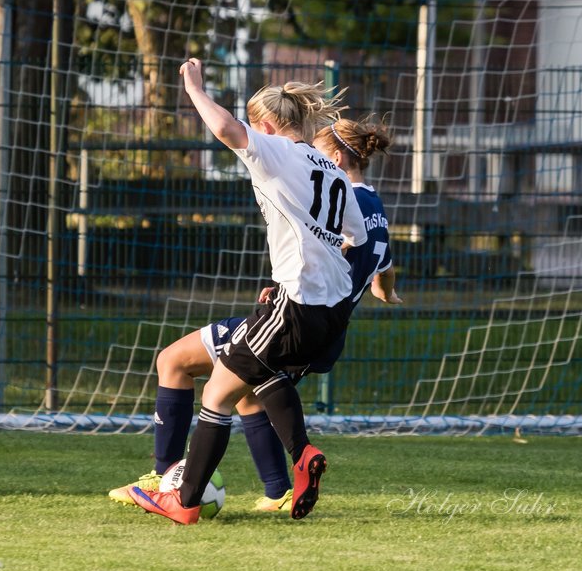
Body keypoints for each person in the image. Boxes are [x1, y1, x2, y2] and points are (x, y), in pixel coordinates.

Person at [109, 115, 400, 513]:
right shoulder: (375, 206)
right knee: (250, 390)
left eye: (317, 151)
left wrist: (286, 288)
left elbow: (329, 256)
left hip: (295, 313)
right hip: (329, 329)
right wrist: (386, 293)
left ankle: (171, 483)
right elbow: (382, 271)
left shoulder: (337, 195)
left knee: (177, 363)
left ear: (334, 155)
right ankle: (279, 488)